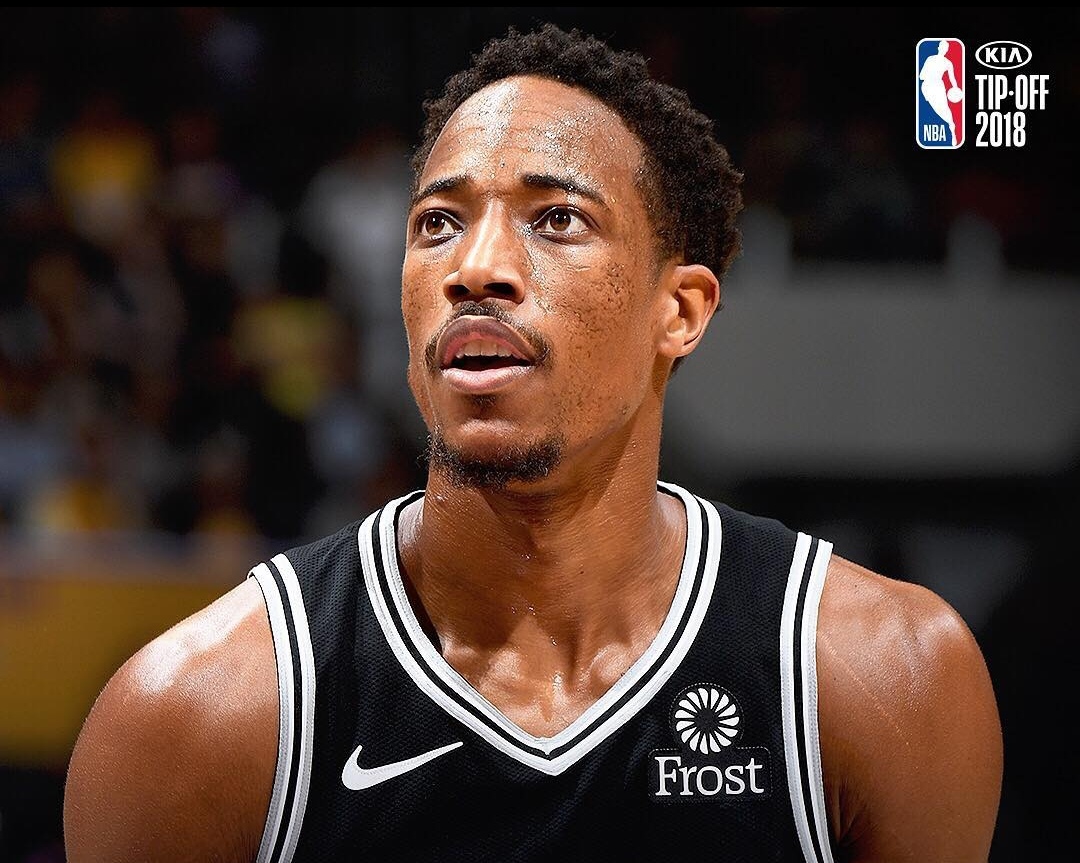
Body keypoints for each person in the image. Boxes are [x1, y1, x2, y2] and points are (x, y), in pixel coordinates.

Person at [63, 22, 1003, 862]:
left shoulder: (883, 679)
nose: (476, 268)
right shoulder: (196, 720)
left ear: (679, 310)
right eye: (438, 223)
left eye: (557, 219)